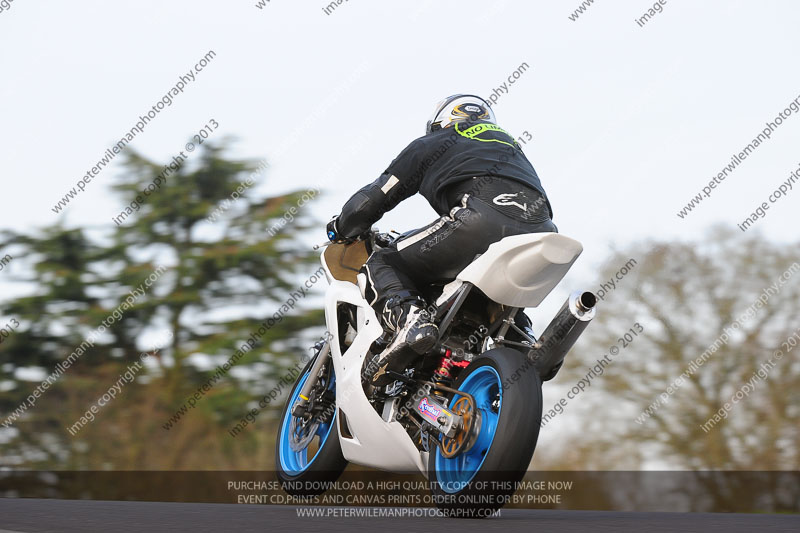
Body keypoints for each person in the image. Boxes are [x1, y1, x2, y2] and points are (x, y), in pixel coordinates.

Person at [326, 94, 557, 384]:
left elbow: (374, 198)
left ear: (440, 124)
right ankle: (523, 343)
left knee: (382, 262)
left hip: (479, 219)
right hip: (543, 231)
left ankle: (410, 322)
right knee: (500, 297)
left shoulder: (436, 142)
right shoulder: (511, 147)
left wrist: (341, 226)